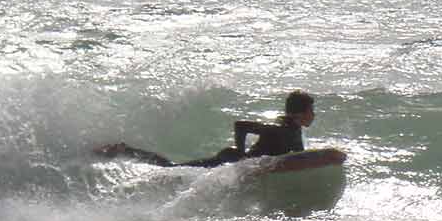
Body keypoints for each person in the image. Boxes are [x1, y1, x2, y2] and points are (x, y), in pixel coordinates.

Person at [94, 90, 315, 168]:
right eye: (310, 111)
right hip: (226, 162)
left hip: (234, 163)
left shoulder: (294, 132)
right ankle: (124, 150)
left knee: (172, 167)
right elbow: (241, 125)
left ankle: (125, 150)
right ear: (299, 114)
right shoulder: (279, 130)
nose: (313, 115)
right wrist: (241, 153)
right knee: (171, 168)